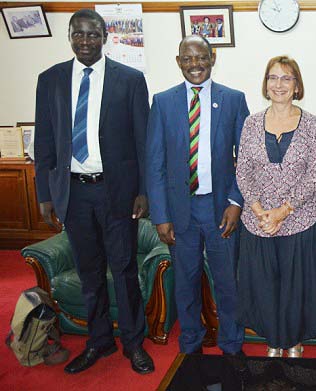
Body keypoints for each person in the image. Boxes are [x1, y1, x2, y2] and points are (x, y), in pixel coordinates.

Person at [34, 9, 153, 375]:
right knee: (89, 273)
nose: (85, 41)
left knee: (124, 269)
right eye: (78, 35)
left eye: (92, 34)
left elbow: (143, 141)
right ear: (69, 37)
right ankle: (99, 341)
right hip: (73, 192)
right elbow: (44, 140)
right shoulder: (50, 79)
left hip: (116, 192)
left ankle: (134, 343)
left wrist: (144, 191)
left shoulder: (130, 80)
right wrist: (44, 194)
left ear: (105, 36)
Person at [146, 35, 249, 356]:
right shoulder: (163, 102)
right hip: (180, 211)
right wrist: (161, 216)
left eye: (201, 57)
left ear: (212, 57)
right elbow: (155, 164)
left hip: (220, 209)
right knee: (186, 284)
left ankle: (232, 346)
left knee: (228, 284)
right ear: (178, 61)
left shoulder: (233, 99)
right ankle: (190, 347)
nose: (195, 65)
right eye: (187, 59)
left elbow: (247, 159)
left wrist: (236, 202)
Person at [236, 56, 316, 358]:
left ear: (296, 85)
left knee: (295, 287)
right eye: (273, 78)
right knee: (266, 286)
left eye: (286, 78)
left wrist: (283, 211)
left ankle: (293, 342)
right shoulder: (250, 123)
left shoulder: (312, 124)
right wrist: (261, 211)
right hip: (258, 221)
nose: (279, 84)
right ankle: (274, 340)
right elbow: (242, 170)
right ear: (265, 84)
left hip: (300, 219)